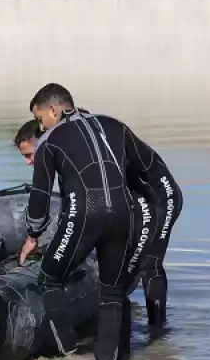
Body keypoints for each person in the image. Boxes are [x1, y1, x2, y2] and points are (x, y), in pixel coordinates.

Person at [12, 117, 183, 334]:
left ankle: (155, 335)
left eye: (29, 155)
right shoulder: (66, 149)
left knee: (146, 266)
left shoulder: (66, 141)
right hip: (127, 201)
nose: (29, 162)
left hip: (156, 197)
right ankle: (129, 344)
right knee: (120, 278)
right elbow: (73, 208)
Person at [19, 83, 145, 360]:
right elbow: (140, 169)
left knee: (49, 279)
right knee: (113, 291)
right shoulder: (109, 126)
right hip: (125, 213)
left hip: (85, 214)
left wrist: (32, 236)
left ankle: (70, 352)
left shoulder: (50, 140)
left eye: (40, 119)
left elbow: (39, 196)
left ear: (53, 110)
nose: (41, 126)